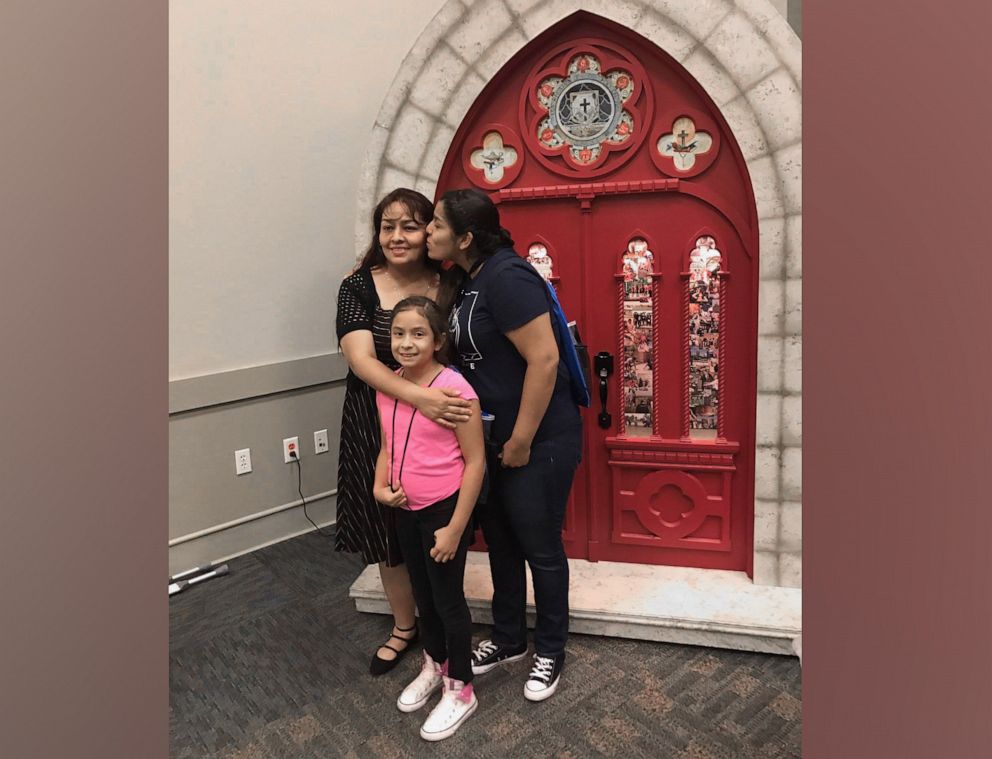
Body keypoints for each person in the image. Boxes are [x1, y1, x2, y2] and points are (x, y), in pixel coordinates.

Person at [426, 188, 582, 702]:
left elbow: (544, 360)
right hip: (494, 443)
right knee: (502, 546)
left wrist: (520, 441)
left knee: (540, 547)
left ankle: (551, 649)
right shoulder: (469, 279)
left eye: (435, 225)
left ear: (466, 237)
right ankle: (511, 638)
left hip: (536, 440)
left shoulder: (508, 276)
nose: (428, 232)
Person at [335, 188, 471, 676]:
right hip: (375, 422)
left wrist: (443, 403)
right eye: (387, 226)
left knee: (436, 521)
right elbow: (360, 359)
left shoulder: (453, 283)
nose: (397, 237)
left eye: (410, 226)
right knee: (385, 525)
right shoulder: (357, 287)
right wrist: (420, 398)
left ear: (430, 230)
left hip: (442, 425)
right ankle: (403, 626)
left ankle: (441, 620)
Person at [372, 296, 485, 741]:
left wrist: (456, 527)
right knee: (422, 595)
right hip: (406, 509)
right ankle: (435, 664)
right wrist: (379, 487)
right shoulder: (391, 385)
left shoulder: (457, 390)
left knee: (447, 601)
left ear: (438, 340)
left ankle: (461, 687)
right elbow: (388, 444)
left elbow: (475, 462)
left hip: (443, 510)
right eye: (398, 333)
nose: (406, 342)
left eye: (418, 333)